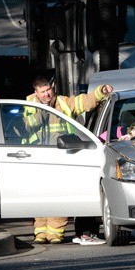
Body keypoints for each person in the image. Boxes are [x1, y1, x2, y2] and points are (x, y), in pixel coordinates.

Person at [24, 74, 113, 245]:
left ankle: (55, 233)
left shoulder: (63, 102)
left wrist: (101, 92)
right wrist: (42, 113)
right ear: (35, 92)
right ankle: (40, 232)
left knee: (58, 193)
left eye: (48, 90)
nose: (47, 95)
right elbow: (27, 126)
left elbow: (84, 101)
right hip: (38, 157)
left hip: (60, 156)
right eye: (42, 92)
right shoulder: (29, 105)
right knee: (40, 195)